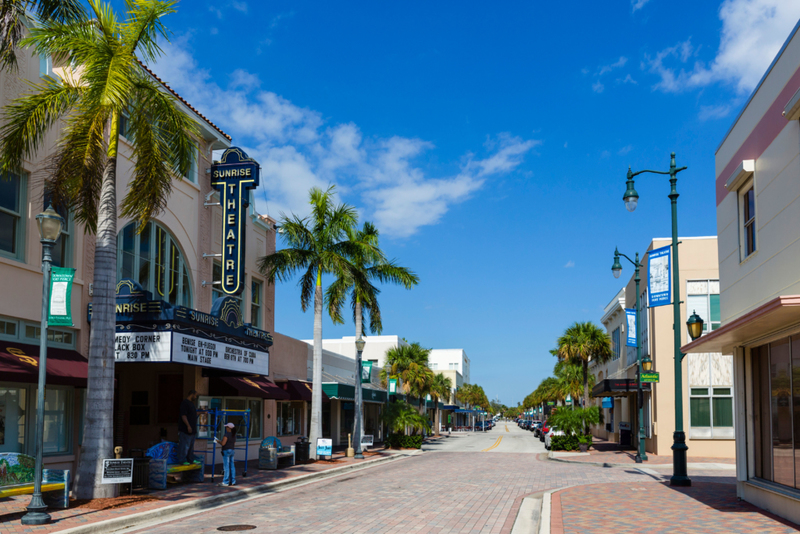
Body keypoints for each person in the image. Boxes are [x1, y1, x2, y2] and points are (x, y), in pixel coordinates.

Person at [177, 390, 200, 465]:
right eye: (195, 395)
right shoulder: (185, 403)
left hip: (192, 430)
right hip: (185, 430)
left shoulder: (191, 404)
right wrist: (188, 426)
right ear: (192, 394)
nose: (196, 397)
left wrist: (202, 412)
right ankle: (182, 460)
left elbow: (193, 414)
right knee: (184, 446)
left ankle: (190, 459)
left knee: (190, 446)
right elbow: (183, 416)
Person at [217, 422, 237, 487]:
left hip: (226, 451)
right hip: (232, 450)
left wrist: (218, 441)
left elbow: (223, 443)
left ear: (229, 428)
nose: (226, 428)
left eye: (226, 427)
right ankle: (233, 481)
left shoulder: (226, 435)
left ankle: (225, 482)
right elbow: (234, 443)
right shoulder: (234, 435)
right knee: (232, 466)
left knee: (226, 466)